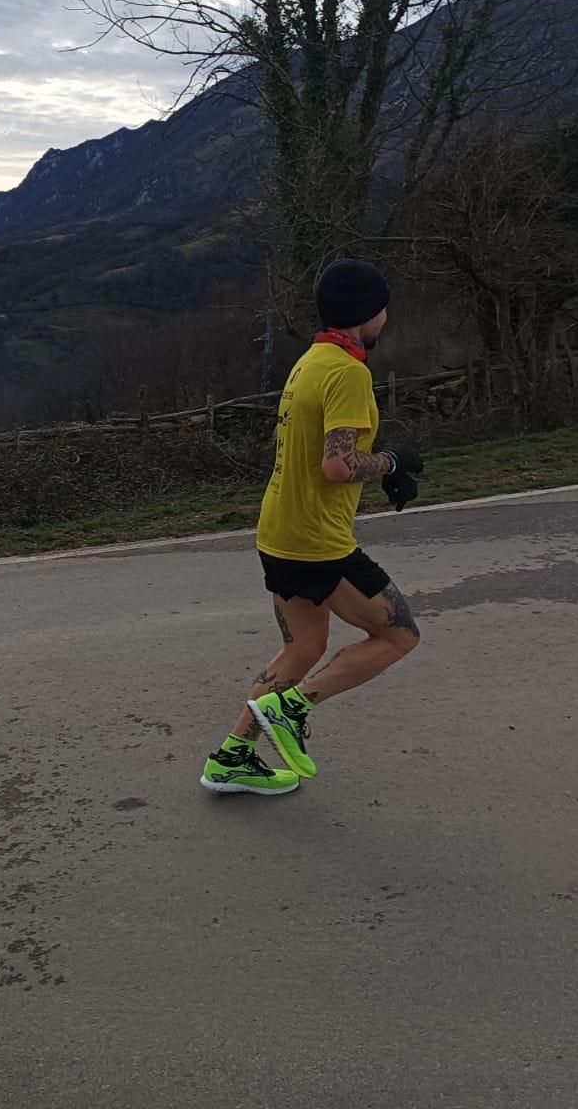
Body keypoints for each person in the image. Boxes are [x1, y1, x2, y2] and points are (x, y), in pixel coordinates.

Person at [200, 258, 424, 795]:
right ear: (367, 312)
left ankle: (231, 758)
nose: (387, 315)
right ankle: (292, 708)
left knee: (303, 647)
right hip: (316, 543)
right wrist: (391, 462)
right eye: (382, 305)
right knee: (398, 634)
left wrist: (376, 471)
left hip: (278, 531)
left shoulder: (312, 360)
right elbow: (339, 465)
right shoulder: (349, 372)